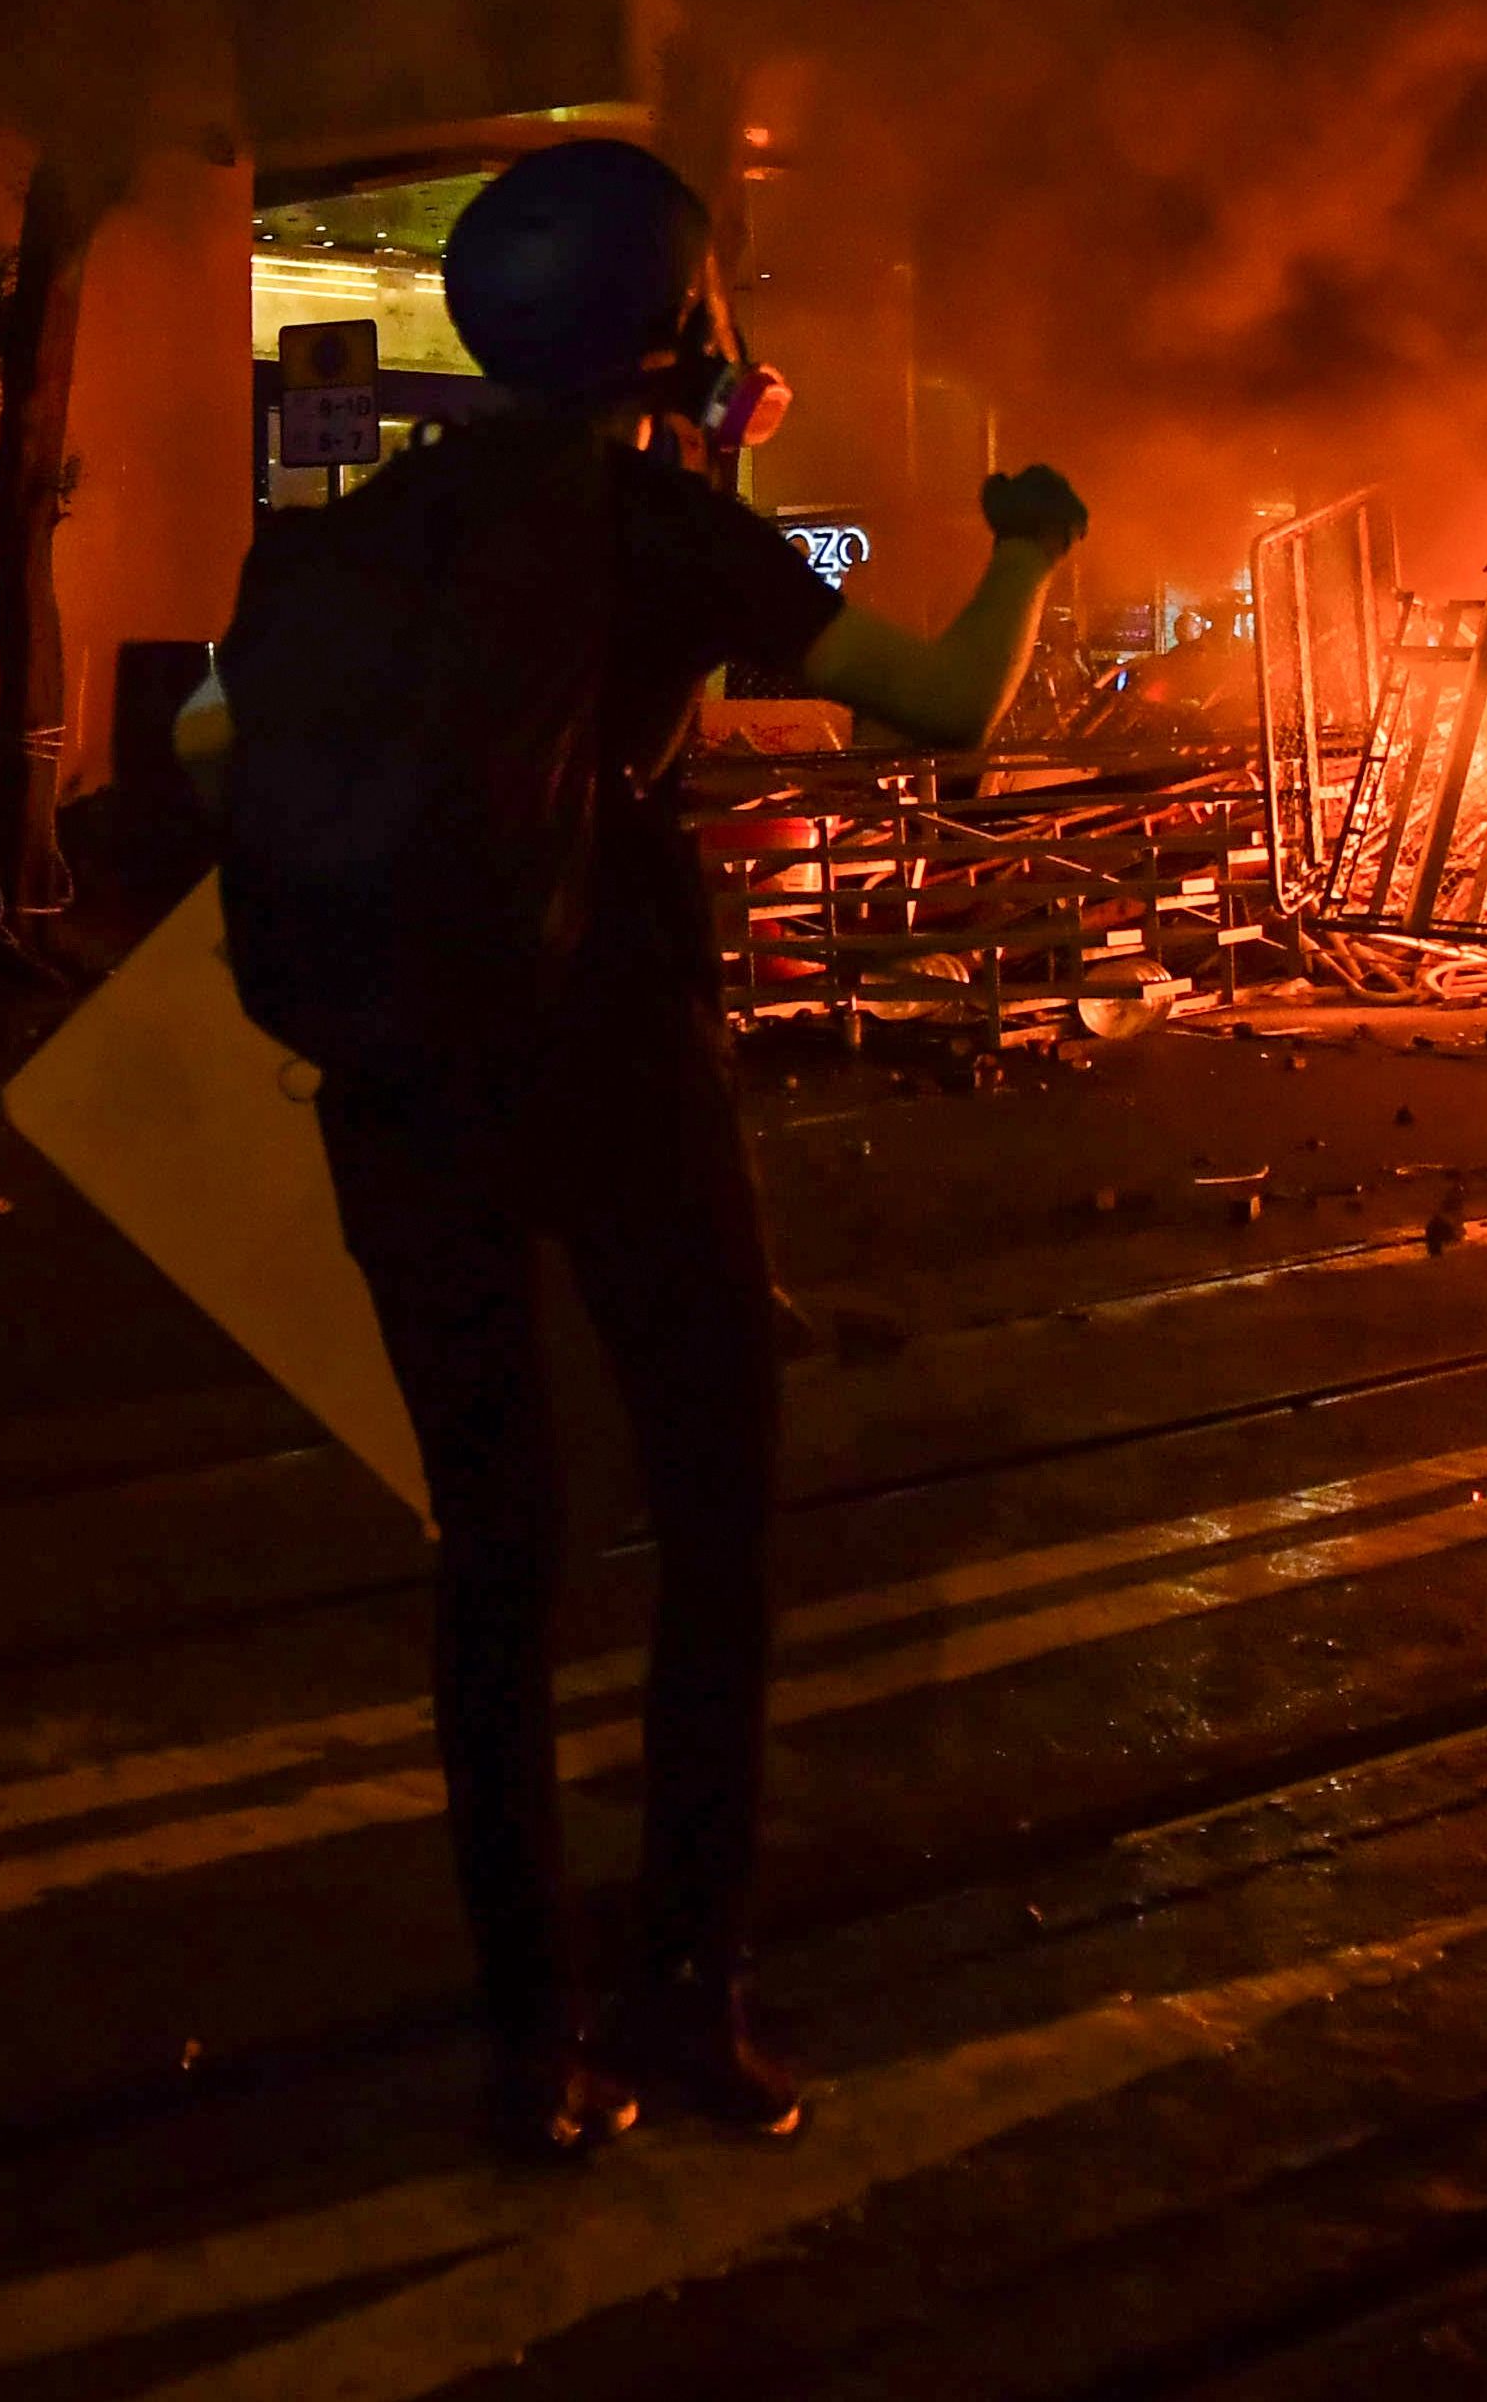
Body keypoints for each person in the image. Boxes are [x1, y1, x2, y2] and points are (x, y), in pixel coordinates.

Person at [236, 139, 1087, 2162]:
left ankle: (529, 2039)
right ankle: (688, 1986)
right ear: (683, 328)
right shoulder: (661, 533)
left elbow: (242, 748)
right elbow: (948, 703)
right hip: (616, 1070)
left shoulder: (365, 527)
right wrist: (1029, 544)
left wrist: (707, 445)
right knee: (715, 1524)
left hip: (398, 1082)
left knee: (496, 1559)